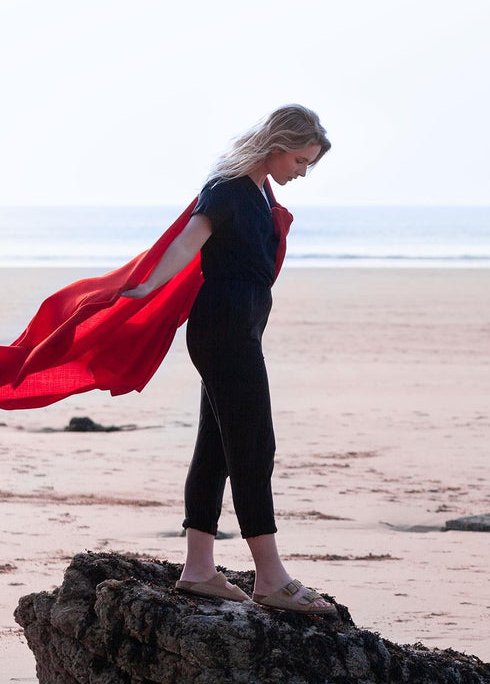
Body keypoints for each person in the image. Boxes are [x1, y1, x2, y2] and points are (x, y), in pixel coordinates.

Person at [122, 104, 336, 615]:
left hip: (238, 329)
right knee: (254, 445)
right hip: (223, 330)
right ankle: (270, 578)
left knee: (217, 446)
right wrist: (150, 285)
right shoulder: (229, 188)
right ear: (279, 144)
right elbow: (188, 241)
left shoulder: (260, 191)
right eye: (302, 161)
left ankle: (199, 568)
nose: (302, 173)